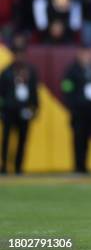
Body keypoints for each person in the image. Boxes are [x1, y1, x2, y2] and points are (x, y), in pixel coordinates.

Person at [61, 47, 91, 173]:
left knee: (87, 139)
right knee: (78, 139)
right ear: (79, 54)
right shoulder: (72, 70)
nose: (87, 57)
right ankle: (78, 165)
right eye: (85, 54)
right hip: (78, 112)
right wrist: (72, 106)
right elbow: (66, 88)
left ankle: (84, 165)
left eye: (89, 54)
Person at [0, 35, 39, 174]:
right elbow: (1, 93)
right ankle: (4, 165)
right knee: (6, 140)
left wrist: (35, 108)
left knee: (23, 140)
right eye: (17, 53)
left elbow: (34, 92)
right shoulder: (6, 72)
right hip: (9, 110)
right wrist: (2, 110)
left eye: (22, 53)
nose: (19, 56)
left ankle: (18, 166)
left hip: (24, 110)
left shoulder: (30, 72)